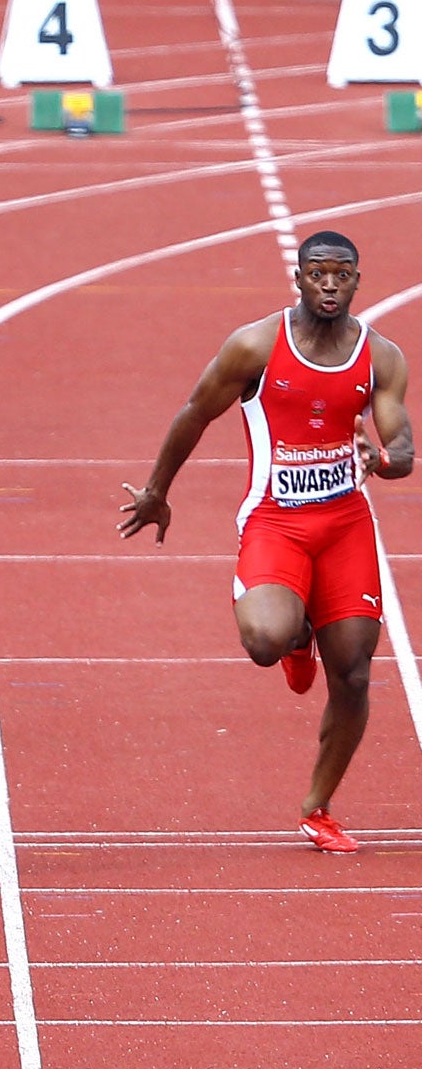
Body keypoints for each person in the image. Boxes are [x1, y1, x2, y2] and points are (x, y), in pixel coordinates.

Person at [120, 231, 412, 853]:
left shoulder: (380, 357)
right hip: (276, 522)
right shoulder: (254, 346)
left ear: (358, 280)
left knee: (356, 675)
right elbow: (195, 412)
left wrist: (382, 459)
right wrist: (156, 492)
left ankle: (318, 807)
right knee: (262, 640)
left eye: (341, 274)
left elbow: (404, 449)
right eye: (317, 273)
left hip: (345, 525)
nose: (329, 284)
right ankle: (296, 637)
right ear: (298, 278)